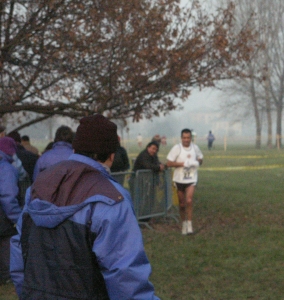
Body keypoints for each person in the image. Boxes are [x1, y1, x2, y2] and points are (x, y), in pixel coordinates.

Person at [10, 114, 159, 299]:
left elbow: (19, 251)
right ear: (111, 156)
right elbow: (125, 277)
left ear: (75, 148)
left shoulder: (39, 186)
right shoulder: (111, 198)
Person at [166, 128, 203, 235]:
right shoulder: (177, 148)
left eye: (188, 138)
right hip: (179, 179)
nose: (186, 140)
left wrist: (197, 162)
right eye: (184, 138)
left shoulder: (195, 148)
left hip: (191, 178)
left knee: (189, 200)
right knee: (182, 204)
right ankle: (184, 224)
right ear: (181, 138)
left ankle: (190, 225)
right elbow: (169, 163)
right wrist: (183, 164)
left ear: (191, 138)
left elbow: (201, 158)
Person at [0, 137, 22, 285]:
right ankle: (7, 277)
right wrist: (18, 218)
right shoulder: (6, 168)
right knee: (6, 244)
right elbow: (8, 197)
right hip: (3, 218)